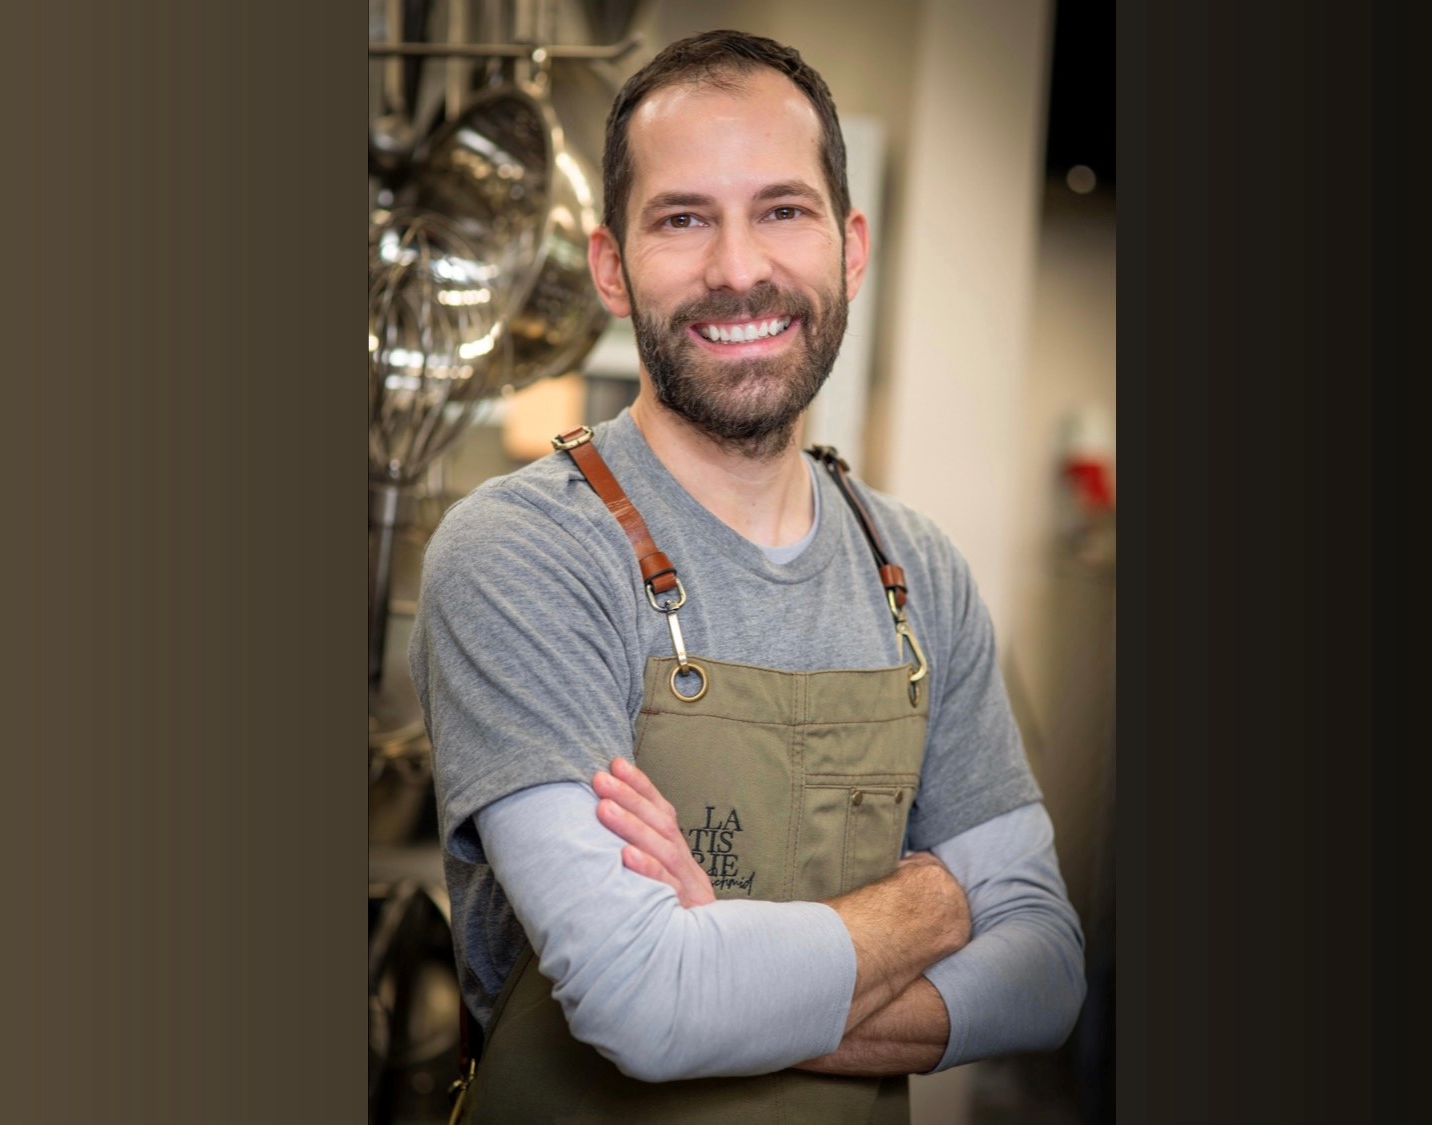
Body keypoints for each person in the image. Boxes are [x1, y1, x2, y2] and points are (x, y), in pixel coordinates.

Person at [409, 29, 1085, 1125]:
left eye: (782, 209)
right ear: (611, 270)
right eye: (682, 219)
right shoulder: (526, 553)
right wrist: (933, 901)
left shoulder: (919, 573)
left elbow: (1047, 973)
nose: (737, 268)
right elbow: (644, 1004)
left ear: (848, 249)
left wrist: (718, 965)